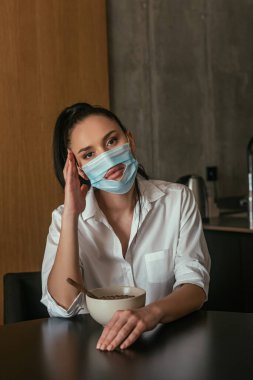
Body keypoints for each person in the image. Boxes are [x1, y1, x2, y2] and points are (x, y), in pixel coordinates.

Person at [41, 102, 210, 351]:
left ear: (129, 140)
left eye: (111, 141)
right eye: (89, 154)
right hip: (94, 351)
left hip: (167, 347)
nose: (108, 158)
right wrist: (71, 216)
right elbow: (63, 305)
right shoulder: (63, 219)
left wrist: (151, 313)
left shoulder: (178, 200)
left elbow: (195, 288)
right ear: (78, 169)